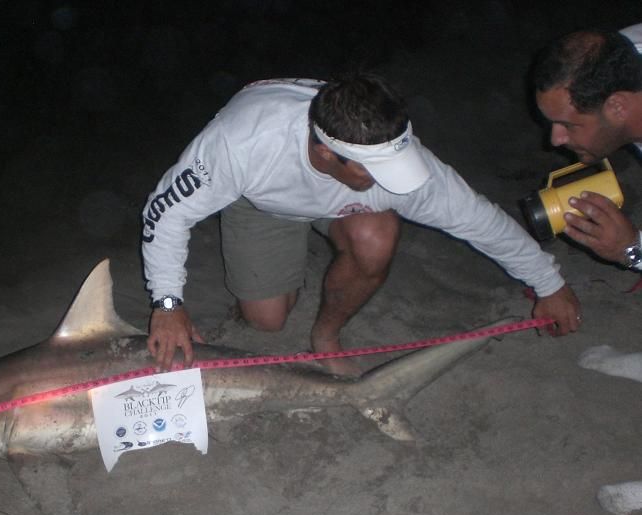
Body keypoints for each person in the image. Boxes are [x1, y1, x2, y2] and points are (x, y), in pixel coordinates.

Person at [141, 73, 581, 374]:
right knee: (267, 320)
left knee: (377, 235)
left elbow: (479, 220)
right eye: (374, 170)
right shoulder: (242, 143)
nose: (391, 181)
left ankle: (327, 336)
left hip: (343, 210)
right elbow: (166, 212)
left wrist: (550, 284)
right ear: (325, 152)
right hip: (263, 201)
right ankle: (267, 280)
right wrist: (168, 304)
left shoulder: (398, 159)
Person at [532, 23, 642, 270]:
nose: (555, 139)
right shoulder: (619, 58)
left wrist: (632, 249)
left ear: (617, 107)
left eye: (567, 125)